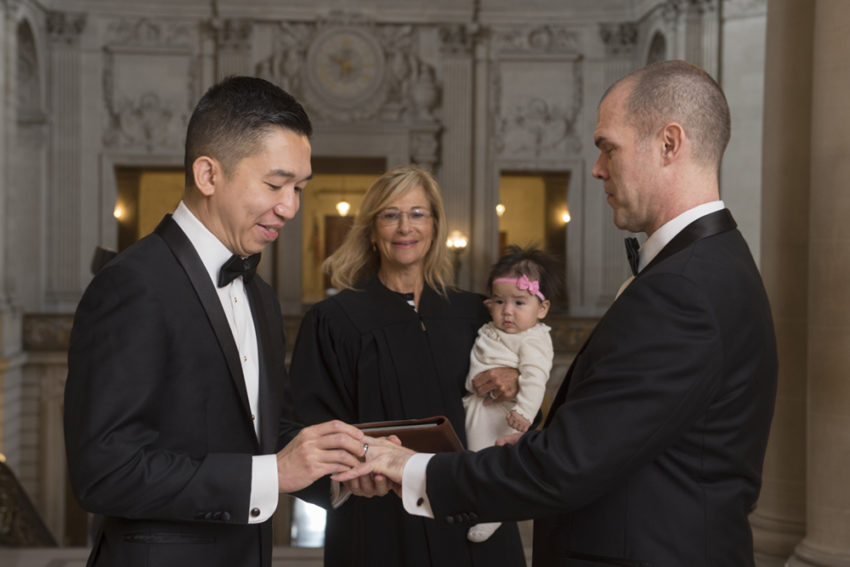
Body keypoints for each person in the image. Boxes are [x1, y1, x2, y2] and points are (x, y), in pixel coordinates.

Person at [339, 60, 778, 567]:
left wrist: (414, 468)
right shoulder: (712, 264)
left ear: (669, 144)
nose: (596, 168)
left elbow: (568, 463)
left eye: (607, 147)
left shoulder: (683, 290)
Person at [63, 76, 367, 567]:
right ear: (208, 175)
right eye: (275, 184)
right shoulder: (131, 285)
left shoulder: (260, 296)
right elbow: (105, 471)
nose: (291, 207)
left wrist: (339, 468)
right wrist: (271, 475)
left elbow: (264, 436)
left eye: (300, 188)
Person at [288, 164, 527, 567]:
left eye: (417, 213)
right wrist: (348, 479)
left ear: (435, 226)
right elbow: (306, 427)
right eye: (390, 214)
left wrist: (515, 380)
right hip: (379, 518)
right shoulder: (334, 320)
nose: (405, 227)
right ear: (371, 228)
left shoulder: (475, 312)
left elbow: (516, 409)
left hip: (467, 511)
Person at [463, 245, 558, 543]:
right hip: (478, 404)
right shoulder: (495, 328)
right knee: (471, 459)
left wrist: (525, 414)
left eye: (519, 302)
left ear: (541, 309)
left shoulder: (533, 339)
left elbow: (534, 377)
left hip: (502, 412)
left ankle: (496, 510)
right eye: (499, 301)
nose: (507, 311)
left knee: (487, 459)